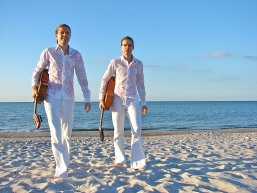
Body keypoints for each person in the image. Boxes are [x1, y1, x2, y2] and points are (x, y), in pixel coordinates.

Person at [31, 24, 91, 178]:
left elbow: (82, 76)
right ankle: (61, 170)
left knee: (67, 135)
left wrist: (87, 97)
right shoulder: (48, 52)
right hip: (51, 96)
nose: (65, 35)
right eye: (62, 33)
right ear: (56, 35)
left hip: (69, 97)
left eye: (68, 33)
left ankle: (65, 163)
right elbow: (37, 71)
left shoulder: (76, 55)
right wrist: (33, 88)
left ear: (70, 36)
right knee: (56, 134)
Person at [99, 36, 147, 171]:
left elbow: (141, 84)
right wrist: (101, 98)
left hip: (133, 99)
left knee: (136, 129)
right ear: (121, 47)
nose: (127, 47)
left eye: (129, 45)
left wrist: (143, 102)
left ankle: (138, 162)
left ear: (133, 47)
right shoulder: (115, 62)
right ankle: (119, 159)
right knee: (118, 131)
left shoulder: (138, 63)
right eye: (125, 45)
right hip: (117, 99)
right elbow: (105, 79)